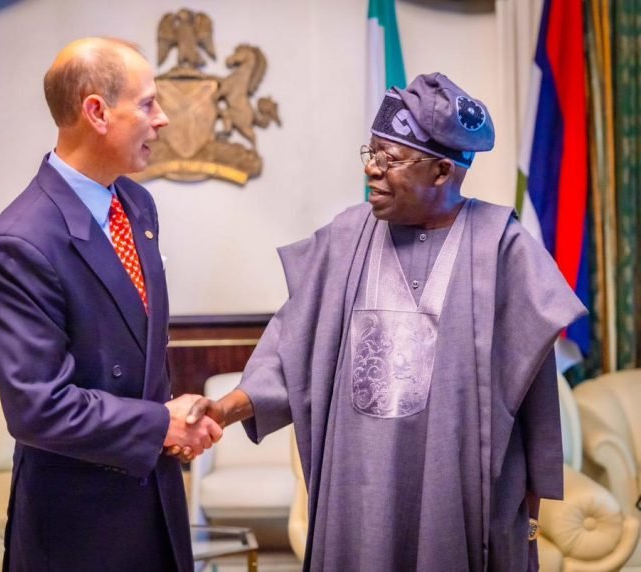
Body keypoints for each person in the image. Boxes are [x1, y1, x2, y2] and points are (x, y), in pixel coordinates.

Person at [184, 73, 587, 571]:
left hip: (459, 497)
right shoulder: (346, 237)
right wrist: (223, 410)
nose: (372, 171)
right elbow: (291, 351)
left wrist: (530, 505)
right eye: (370, 154)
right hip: (357, 497)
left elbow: (535, 393)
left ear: (442, 172)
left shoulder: (503, 248)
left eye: (390, 160)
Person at [0, 37, 222, 572]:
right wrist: (160, 424)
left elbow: (136, 349)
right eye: (147, 103)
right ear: (96, 112)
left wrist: (174, 421)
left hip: (155, 499)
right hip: (78, 526)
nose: (161, 120)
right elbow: (38, 408)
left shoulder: (137, 204)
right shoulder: (19, 242)